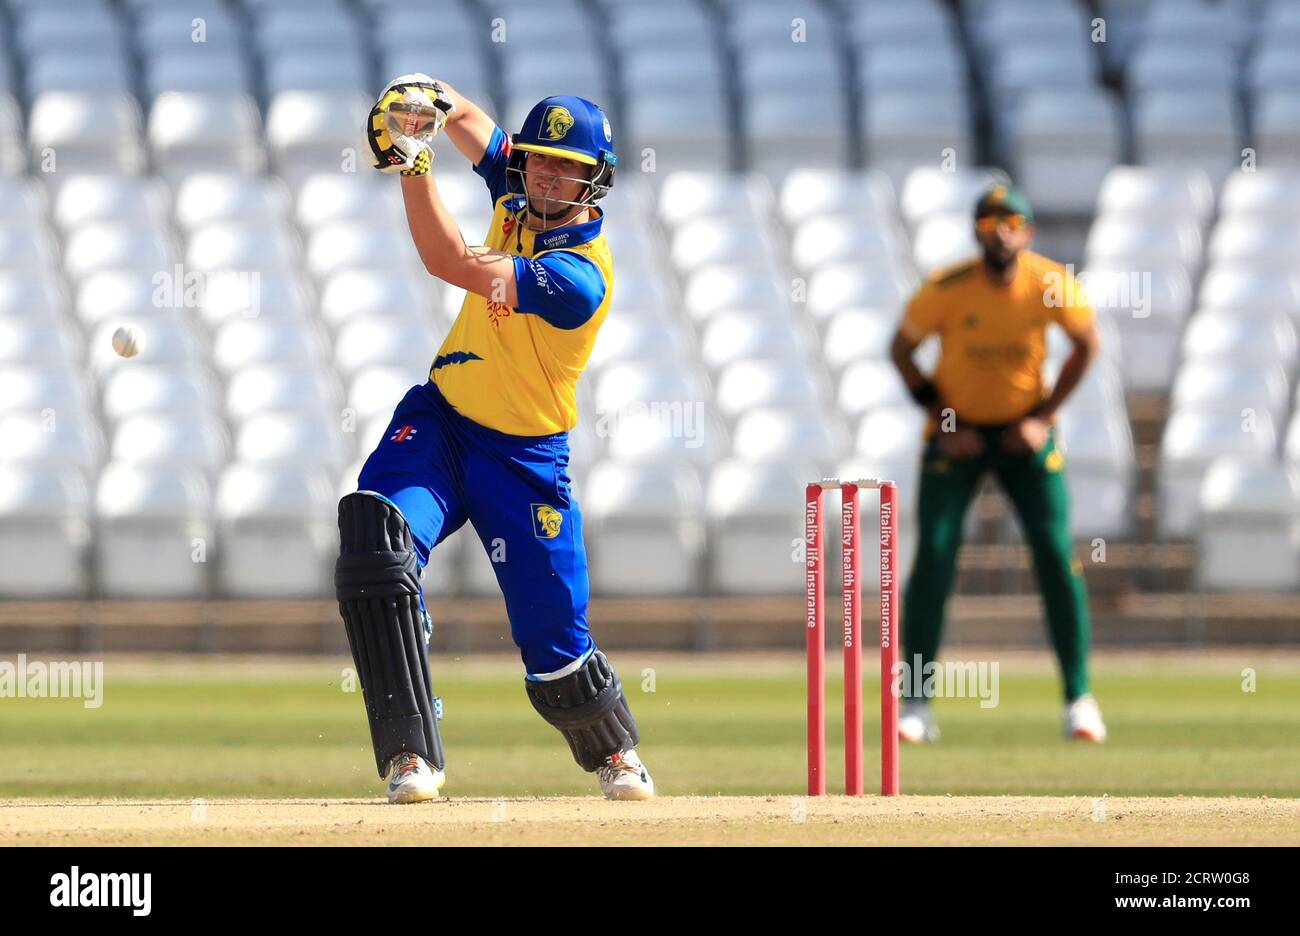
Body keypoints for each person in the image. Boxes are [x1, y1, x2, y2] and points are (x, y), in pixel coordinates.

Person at [335, 74, 653, 803]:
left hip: (526, 459)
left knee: (558, 654)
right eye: (538, 157)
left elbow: (447, 262)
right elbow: (468, 115)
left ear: (592, 181)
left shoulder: (576, 276)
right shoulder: (516, 187)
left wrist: (413, 163)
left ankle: (615, 754)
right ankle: (411, 755)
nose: (545, 172)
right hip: (443, 426)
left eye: (565, 166)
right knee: (376, 541)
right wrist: (422, 101)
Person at [888, 184, 1107, 744]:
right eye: (989, 223)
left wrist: (1044, 417)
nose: (1001, 231)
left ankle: (1078, 699)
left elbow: (1087, 344)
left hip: (1024, 434)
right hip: (957, 434)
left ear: (1027, 232)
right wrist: (943, 419)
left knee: (1056, 554)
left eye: (1011, 222)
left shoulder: (1050, 283)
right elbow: (901, 349)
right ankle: (916, 704)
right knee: (934, 556)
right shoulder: (948, 287)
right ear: (976, 232)